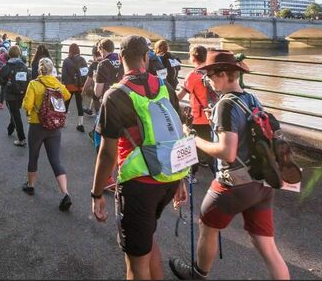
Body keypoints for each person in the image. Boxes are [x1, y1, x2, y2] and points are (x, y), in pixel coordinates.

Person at [169, 50, 289, 280]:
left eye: (210, 76)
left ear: (223, 74)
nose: (208, 81)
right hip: (262, 182)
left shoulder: (225, 105)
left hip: (234, 184)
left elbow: (227, 152)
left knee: (207, 224)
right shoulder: (252, 99)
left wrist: (194, 138)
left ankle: (198, 273)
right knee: (265, 244)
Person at [91, 35, 188, 281]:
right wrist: (182, 179)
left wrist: (97, 193)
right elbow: (176, 132)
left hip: (138, 185)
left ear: (121, 58)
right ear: (146, 57)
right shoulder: (165, 87)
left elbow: (108, 153)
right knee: (147, 237)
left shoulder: (115, 95)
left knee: (135, 264)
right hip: (169, 178)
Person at [21, 57, 73, 211]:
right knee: (55, 160)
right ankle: (65, 194)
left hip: (37, 125)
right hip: (54, 127)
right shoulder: (57, 83)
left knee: (34, 156)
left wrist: (31, 109)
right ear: (51, 70)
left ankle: (30, 186)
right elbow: (67, 95)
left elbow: (27, 105)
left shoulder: (34, 84)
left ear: (39, 69)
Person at [175, 45, 215, 180]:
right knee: (208, 142)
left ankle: (192, 174)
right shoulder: (212, 71)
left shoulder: (193, 75)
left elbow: (180, 96)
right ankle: (214, 170)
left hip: (198, 116)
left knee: (192, 145)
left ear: (193, 57)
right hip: (213, 115)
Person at [0, 45, 30, 146]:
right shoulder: (23, 66)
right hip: (22, 93)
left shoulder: (6, 66)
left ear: (9, 54)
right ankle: (10, 129)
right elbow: (28, 79)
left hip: (10, 94)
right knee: (14, 112)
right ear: (19, 54)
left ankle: (22, 138)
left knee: (16, 115)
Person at [61, 42, 89, 132]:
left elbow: (64, 76)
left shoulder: (66, 61)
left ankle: (63, 122)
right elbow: (85, 73)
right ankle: (80, 124)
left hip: (69, 86)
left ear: (70, 51)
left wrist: (63, 85)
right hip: (79, 86)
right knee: (79, 105)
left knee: (66, 104)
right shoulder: (83, 60)